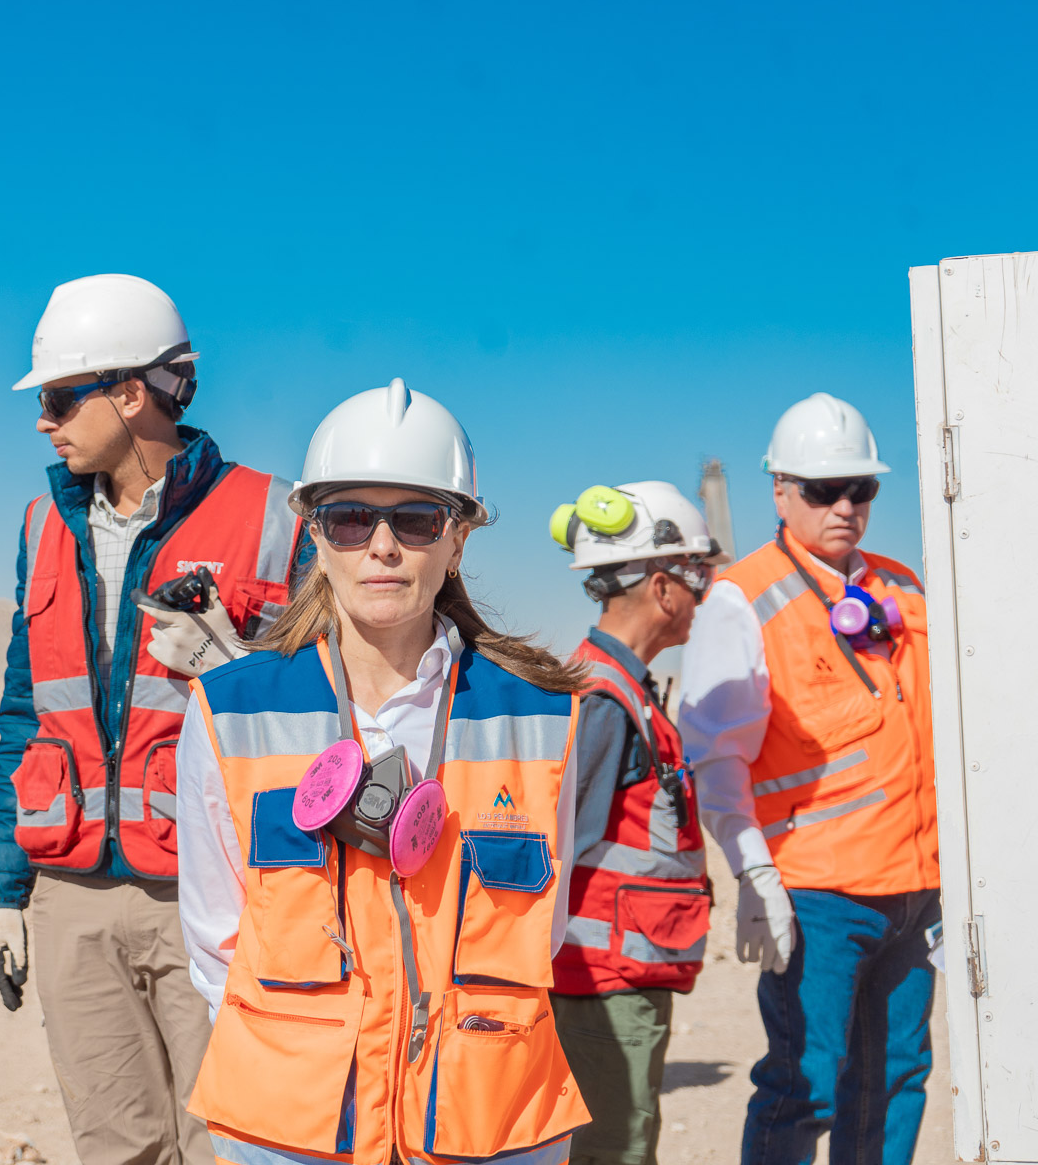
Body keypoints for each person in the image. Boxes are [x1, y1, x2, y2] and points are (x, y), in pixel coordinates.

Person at [177, 378, 590, 1165]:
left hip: (489, 1121)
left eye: (417, 519)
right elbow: (214, 937)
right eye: (350, 518)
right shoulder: (230, 709)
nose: (383, 545)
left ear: (457, 540)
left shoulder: (542, 714)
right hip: (291, 1128)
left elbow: (547, 923)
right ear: (315, 534)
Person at [0, 273, 309, 1165]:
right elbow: (26, 716)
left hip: (215, 888)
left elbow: (332, 719)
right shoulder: (43, 524)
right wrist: (0, 894)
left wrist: (234, 670)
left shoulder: (279, 520)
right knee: (115, 1146)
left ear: (129, 393)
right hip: (72, 894)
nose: (43, 421)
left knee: (229, 1142)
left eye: (58, 398)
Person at [678, 393, 937, 1165]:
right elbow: (717, 756)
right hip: (818, 898)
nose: (846, 507)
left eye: (861, 488)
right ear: (780, 491)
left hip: (916, 889)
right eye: (825, 490)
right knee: (805, 1087)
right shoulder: (743, 598)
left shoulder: (906, 587)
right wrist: (753, 874)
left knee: (896, 1079)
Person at [547, 481, 727, 1165]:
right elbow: (559, 844)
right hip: (601, 983)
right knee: (613, 1152)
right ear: (661, 586)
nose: (702, 595)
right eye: (697, 576)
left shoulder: (622, 688)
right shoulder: (604, 698)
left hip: (619, 973)